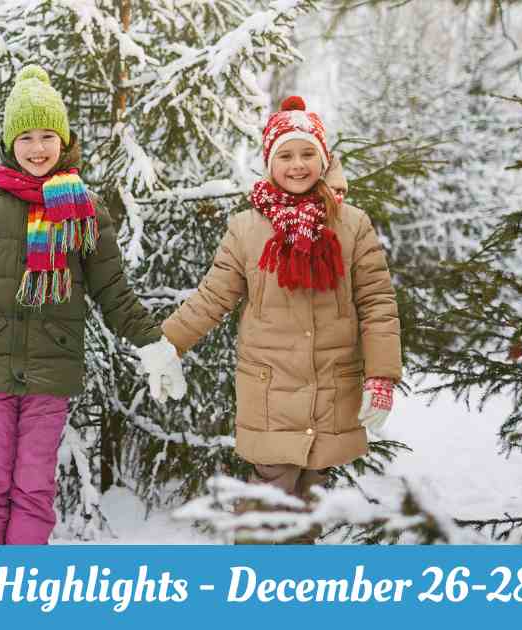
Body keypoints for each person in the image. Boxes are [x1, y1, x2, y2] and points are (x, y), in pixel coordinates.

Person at [0, 65, 185, 545]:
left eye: (48, 135)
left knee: (33, 485)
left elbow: (113, 292)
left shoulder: (86, 211)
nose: (38, 147)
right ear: (11, 144)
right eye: (25, 136)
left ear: (64, 140)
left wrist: (153, 344)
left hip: (52, 369)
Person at [159, 96, 402, 543]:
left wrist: (381, 376)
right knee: (267, 501)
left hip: (331, 387)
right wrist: (166, 345)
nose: (297, 165)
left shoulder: (352, 225)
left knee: (309, 501)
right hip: (270, 389)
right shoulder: (247, 229)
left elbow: (377, 303)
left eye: (308, 153)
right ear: (270, 164)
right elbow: (213, 297)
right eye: (285, 155)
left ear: (324, 159)